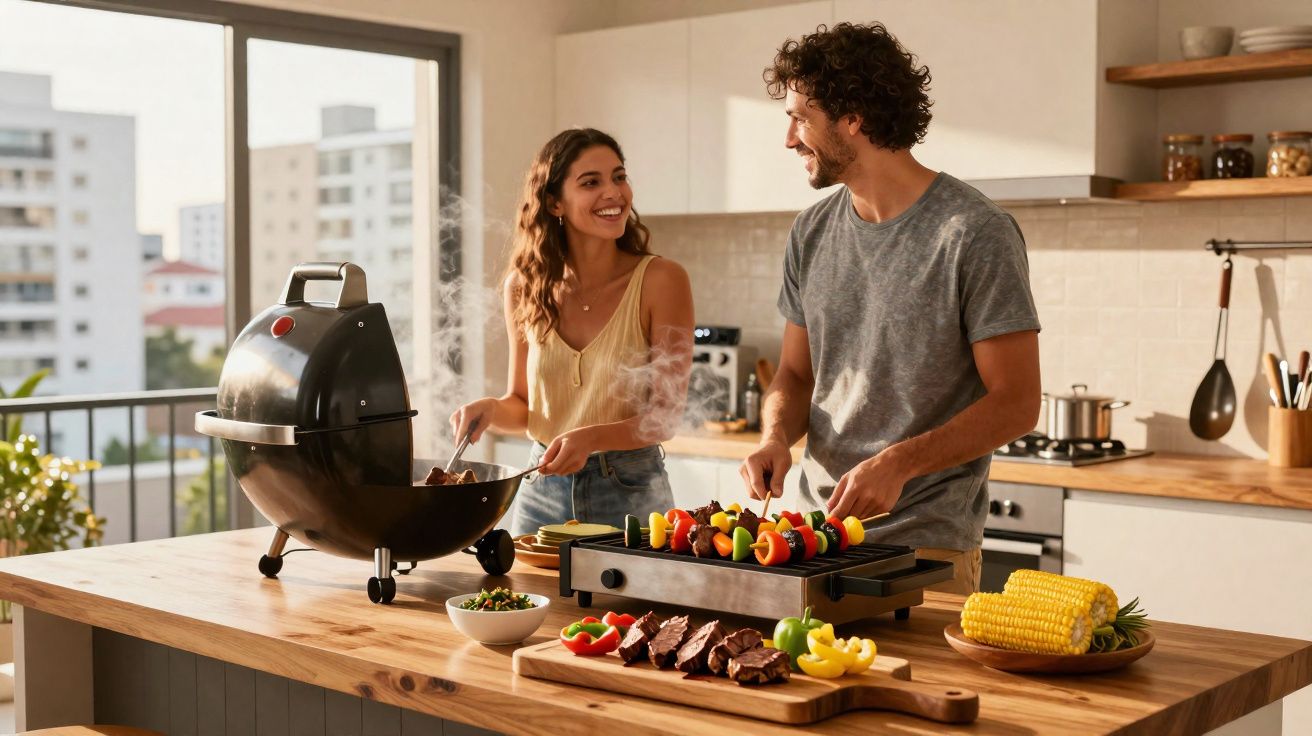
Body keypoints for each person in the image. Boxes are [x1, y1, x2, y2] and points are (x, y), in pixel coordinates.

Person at [739, 22, 1042, 594]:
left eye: (801, 117)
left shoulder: (974, 233)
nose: (789, 139)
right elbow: (796, 373)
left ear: (853, 118)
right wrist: (774, 436)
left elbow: (1017, 404)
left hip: (922, 547)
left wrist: (900, 463)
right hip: (809, 537)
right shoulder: (811, 231)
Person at [451, 128, 694, 537]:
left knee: (632, 605)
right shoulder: (524, 287)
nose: (614, 192)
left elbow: (664, 417)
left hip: (631, 491)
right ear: (554, 202)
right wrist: (492, 409)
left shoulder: (661, 279)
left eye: (619, 176)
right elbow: (524, 405)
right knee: (526, 602)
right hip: (541, 487)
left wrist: (591, 439)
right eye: (591, 182)